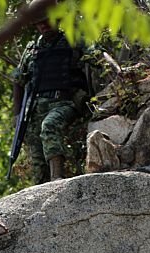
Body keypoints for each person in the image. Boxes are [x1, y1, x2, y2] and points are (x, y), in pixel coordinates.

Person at [12, 13, 91, 184]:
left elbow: (97, 56)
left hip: (65, 102)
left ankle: (57, 177)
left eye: (46, 21)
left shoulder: (72, 40)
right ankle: (41, 187)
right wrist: (17, 115)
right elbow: (18, 81)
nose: (43, 26)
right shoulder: (32, 49)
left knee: (49, 126)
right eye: (39, 23)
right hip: (36, 108)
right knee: (37, 158)